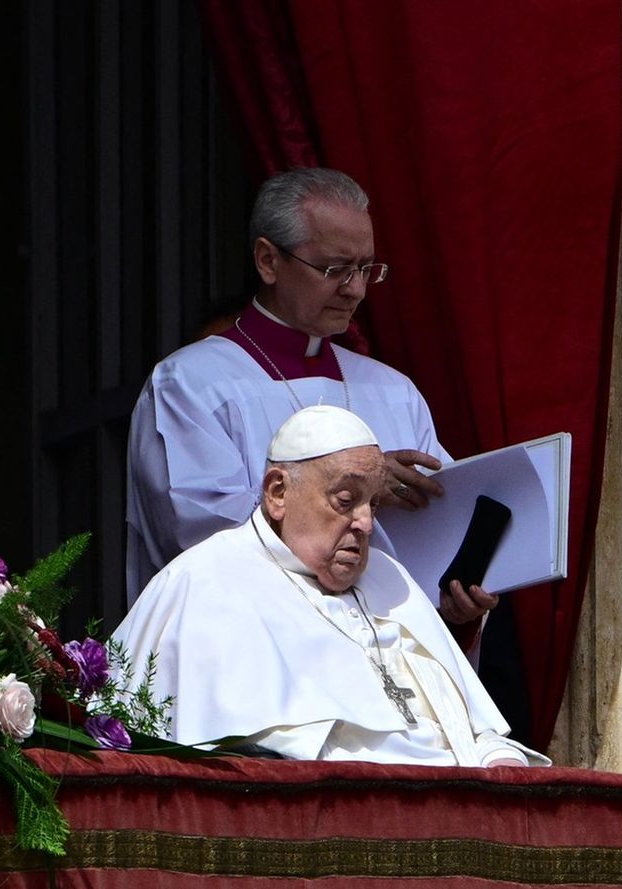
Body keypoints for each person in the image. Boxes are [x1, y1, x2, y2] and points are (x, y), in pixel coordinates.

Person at [125, 167, 497, 635]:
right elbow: (203, 534)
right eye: (335, 269)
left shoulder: (394, 392)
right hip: (262, 649)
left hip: (387, 660)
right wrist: (354, 489)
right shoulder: (191, 385)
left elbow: (438, 535)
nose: (356, 289)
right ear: (268, 260)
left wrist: (455, 599)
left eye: (366, 269)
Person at [115, 406, 548, 768]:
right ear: (278, 493)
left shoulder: (389, 577)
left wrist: (496, 756)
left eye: (373, 503)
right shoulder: (206, 581)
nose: (366, 523)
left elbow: (471, 727)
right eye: (345, 501)